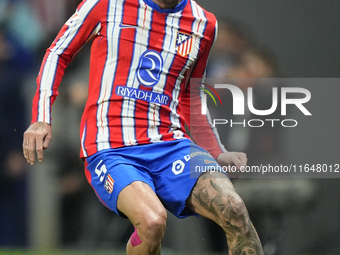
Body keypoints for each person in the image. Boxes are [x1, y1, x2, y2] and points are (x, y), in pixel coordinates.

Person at [22, 0, 264, 254]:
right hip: (111, 147)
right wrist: (41, 117)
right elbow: (58, 52)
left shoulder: (203, 24)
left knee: (234, 209)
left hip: (171, 145)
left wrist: (216, 152)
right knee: (152, 222)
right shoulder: (107, 4)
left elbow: (191, 96)